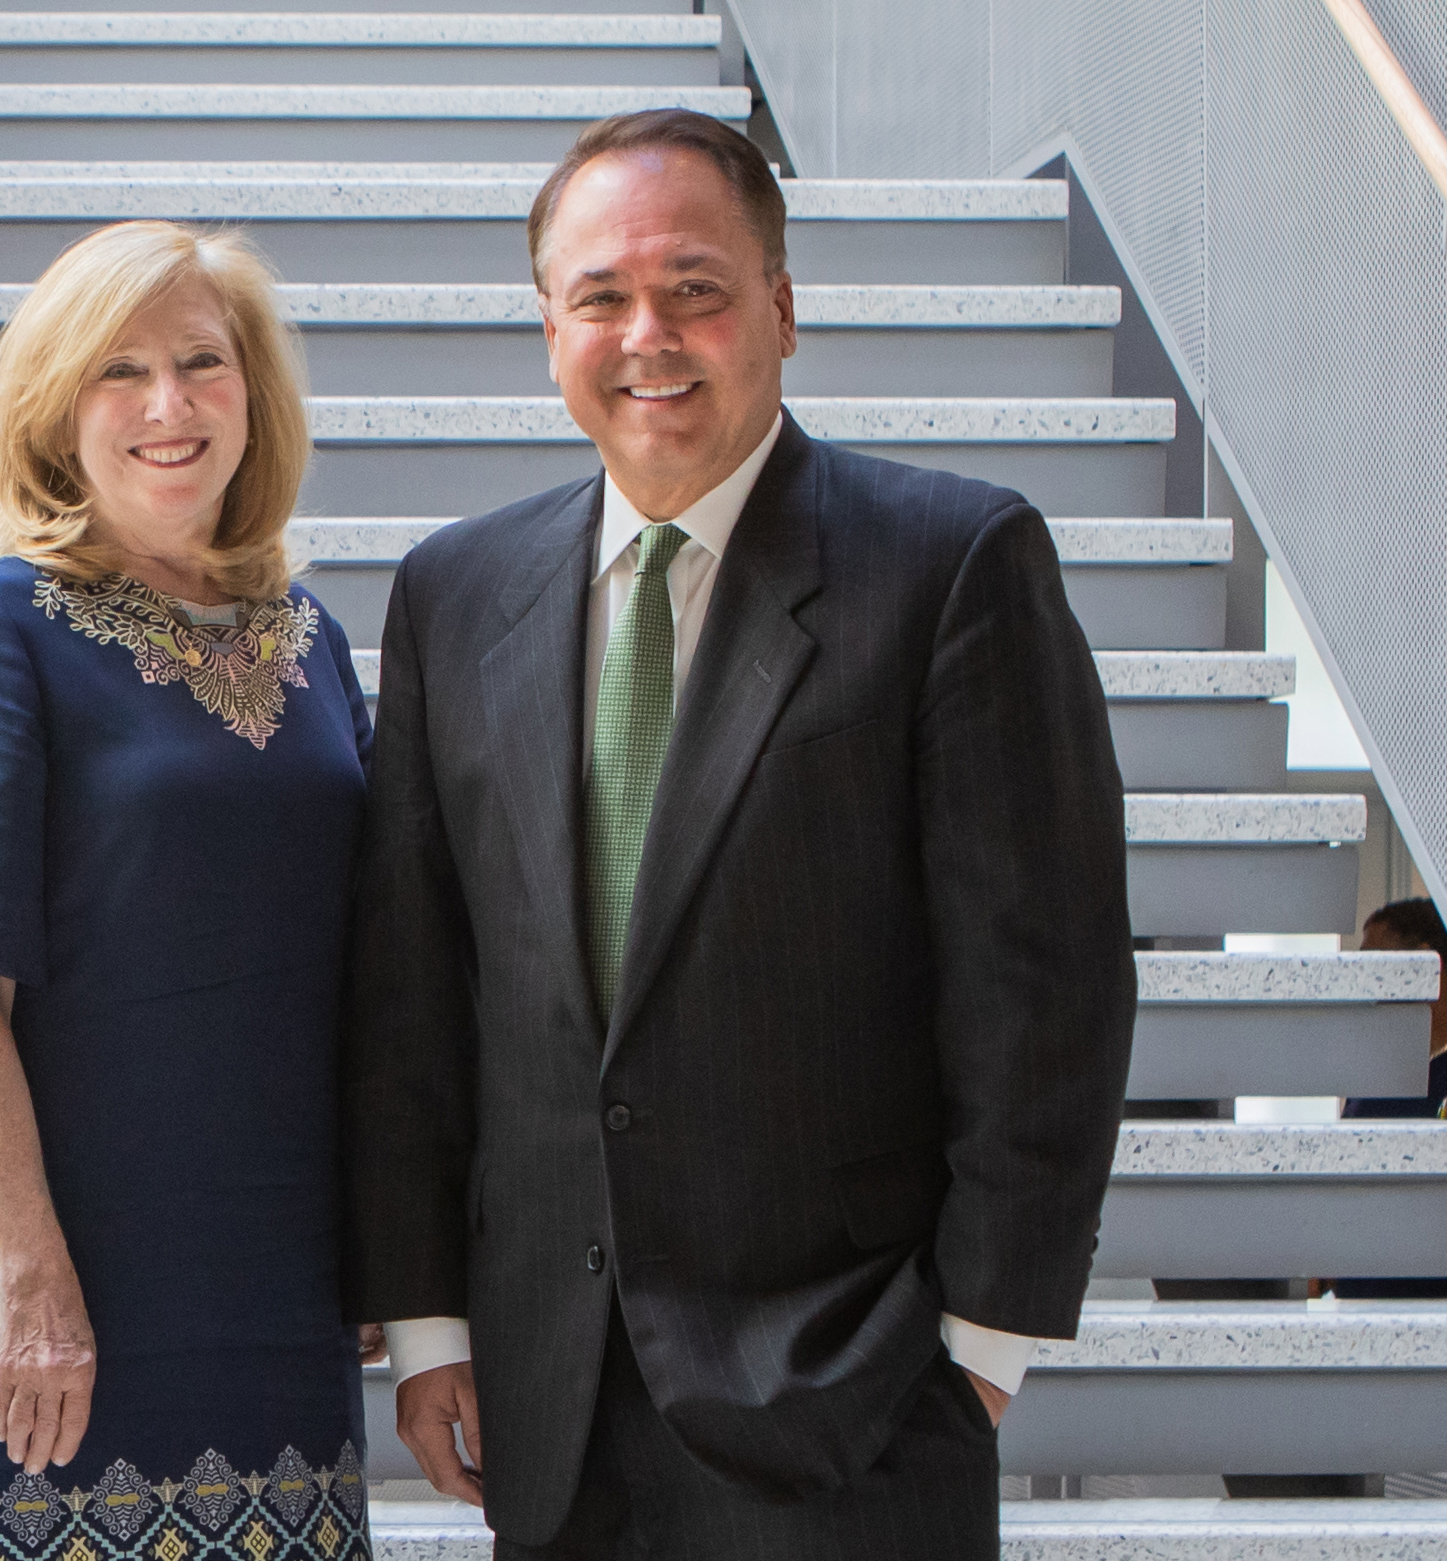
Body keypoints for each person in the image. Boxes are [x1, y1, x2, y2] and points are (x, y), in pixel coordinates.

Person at [342, 107, 1137, 1556]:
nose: (650, 332)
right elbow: (415, 990)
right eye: (602, 296)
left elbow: (1048, 983)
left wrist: (984, 1338)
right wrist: (432, 1312)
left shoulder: (953, 563)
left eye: (695, 287)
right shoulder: (455, 594)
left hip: (853, 1392)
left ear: (780, 304)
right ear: (548, 330)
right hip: (549, 1389)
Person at [0, 220, 377, 1561]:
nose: (168, 405)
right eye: (118, 370)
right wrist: (36, 1283)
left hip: (281, 1277)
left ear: (253, 394)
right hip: (72, 1282)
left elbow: (371, 963)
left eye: (201, 362)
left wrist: (388, 1230)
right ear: (54, 410)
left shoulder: (313, 638)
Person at [1335, 895, 1447, 1299]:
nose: (1364, 981)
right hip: (1360, 1313)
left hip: (1445, 1319)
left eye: (1375, 962)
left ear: (1428, 964)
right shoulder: (1378, 1074)